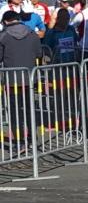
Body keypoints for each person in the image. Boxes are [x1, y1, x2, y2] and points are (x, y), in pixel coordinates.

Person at [0, 10, 42, 148]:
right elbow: (39, 53)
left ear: (5, 21)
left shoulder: (3, 36)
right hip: (30, 78)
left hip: (11, 79)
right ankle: (33, 138)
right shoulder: (32, 33)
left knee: (14, 111)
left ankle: (19, 141)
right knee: (30, 108)